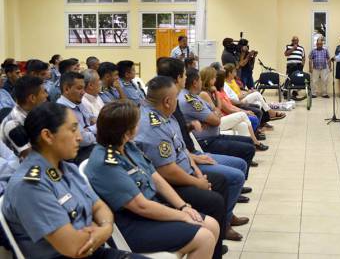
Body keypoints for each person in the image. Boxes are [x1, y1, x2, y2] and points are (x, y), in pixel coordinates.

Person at [2, 102, 146, 258]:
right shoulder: (30, 185)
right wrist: (103, 230)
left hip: (95, 251)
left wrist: (105, 228)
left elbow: (100, 207)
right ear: (48, 136)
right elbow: (75, 247)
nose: (79, 137)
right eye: (73, 130)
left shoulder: (67, 168)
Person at [85, 101, 219, 257]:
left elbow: (156, 178)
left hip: (153, 209)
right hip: (133, 225)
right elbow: (140, 206)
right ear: (127, 133)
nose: (140, 126)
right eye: (136, 124)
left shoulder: (127, 147)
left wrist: (183, 207)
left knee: (212, 225)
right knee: (205, 237)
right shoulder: (105, 163)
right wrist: (182, 216)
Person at [135, 76, 246, 244]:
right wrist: (196, 183)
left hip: (185, 172)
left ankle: (219, 233)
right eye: (175, 98)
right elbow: (166, 171)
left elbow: (182, 150)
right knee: (214, 201)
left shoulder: (165, 114)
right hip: (169, 183)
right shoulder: (153, 126)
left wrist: (199, 174)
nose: (177, 101)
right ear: (167, 101)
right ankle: (212, 242)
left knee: (221, 182)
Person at [156, 57, 253, 196]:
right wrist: (194, 159)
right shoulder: (180, 100)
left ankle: (236, 188)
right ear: (179, 78)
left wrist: (192, 124)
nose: (185, 78)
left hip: (193, 150)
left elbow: (212, 116)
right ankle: (235, 189)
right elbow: (215, 119)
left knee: (244, 153)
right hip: (203, 144)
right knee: (239, 164)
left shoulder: (185, 98)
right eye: (184, 75)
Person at [179, 68, 256, 174]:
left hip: (214, 136)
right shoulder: (191, 100)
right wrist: (213, 116)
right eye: (200, 80)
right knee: (248, 149)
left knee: (249, 142)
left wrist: (212, 115)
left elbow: (216, 110)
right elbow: (216, 120)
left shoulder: (195, 96)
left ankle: (239, 178)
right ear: (195, 83)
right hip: (207, 141)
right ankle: (238, 180)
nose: (202, 82)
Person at [199, 68, 267, 150]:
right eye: (213, 77)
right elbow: (217, 111)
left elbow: (218, 109)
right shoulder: (204, 94)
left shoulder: (211, 91)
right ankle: (255, 142)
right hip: (215, 123)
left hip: (218, 118)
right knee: (243, 115)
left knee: (243, 125)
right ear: (208, 79)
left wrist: (216, 93)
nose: (215, 79)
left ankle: (247, 149)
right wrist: (216, 96)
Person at [0, 76, 48, 157]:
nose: (47, 95)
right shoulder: (13, 124)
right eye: (44, 92)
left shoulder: (34, 112)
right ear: (32, 98)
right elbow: (30, 158)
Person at [56, 72, 97, 163]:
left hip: (90, 146)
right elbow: (82, 139)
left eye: (83, 88)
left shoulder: (77, 102)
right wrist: (97, 131)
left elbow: (92, 118)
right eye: (79, 88)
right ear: (66, 89)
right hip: (77, 154)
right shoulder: (62, 109)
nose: (83, 92)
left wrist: (88, 129)